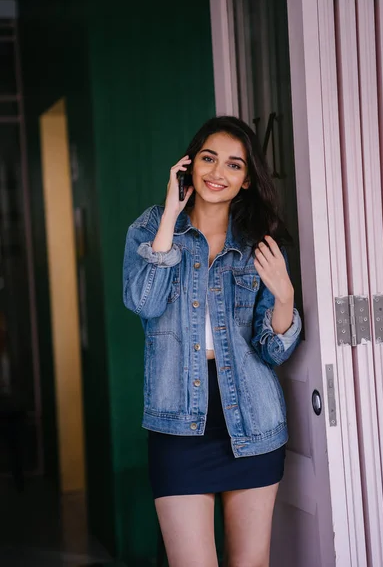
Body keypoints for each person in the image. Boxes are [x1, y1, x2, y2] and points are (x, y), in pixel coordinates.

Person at [123, 116, 302, 567]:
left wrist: (285, 297)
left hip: (253, 422)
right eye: (208, 158)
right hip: (178, 424)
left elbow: (271, 348)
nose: (217, 172)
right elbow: (144, 302)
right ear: (190, 163)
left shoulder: (257, 244)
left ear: (246, 181)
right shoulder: (150, 228)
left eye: (234, 165)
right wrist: (170, 212)